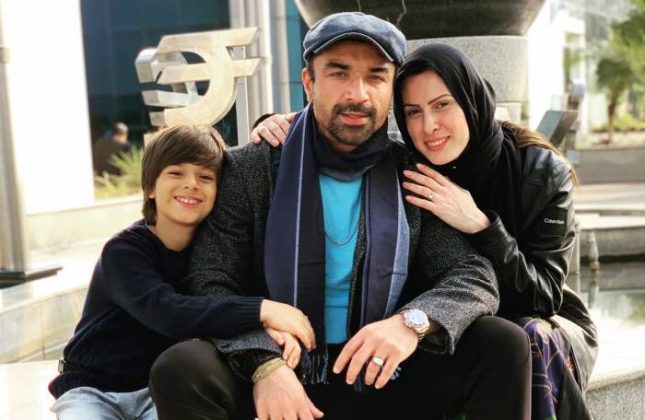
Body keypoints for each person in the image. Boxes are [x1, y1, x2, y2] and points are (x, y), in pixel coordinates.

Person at [149, 13, 531, 420]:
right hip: (283, 370)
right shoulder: (251, 169)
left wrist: (410, 323)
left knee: (501, 343)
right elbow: (210, 279)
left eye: (376, 77)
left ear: (391, 89)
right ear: (309, 82)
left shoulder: (410, 172)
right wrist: (263, 363)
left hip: (383, 371)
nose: (358, 94)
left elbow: (473, 274)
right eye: (339, 73)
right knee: (181, 369)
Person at [256, 42, 598, 419]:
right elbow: (343, 130)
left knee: (520, 336)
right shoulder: (407, 162)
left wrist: (480, 225)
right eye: (413, 112)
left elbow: (544, 297)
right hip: (436, 322)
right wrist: (283, 125)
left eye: (442, 105)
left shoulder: (540, 173)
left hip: (529, 315)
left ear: (470, 101)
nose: (429, 126)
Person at [48, 125, 315, 419]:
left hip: (156, 391)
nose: (191, 185)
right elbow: (168, 312)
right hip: (94, 389)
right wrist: (262, 311)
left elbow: (217, 305)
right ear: (150, 187)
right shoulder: (124, 252)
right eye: (176, 173)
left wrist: (265, 331)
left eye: (205, 177)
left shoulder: (215, 253)